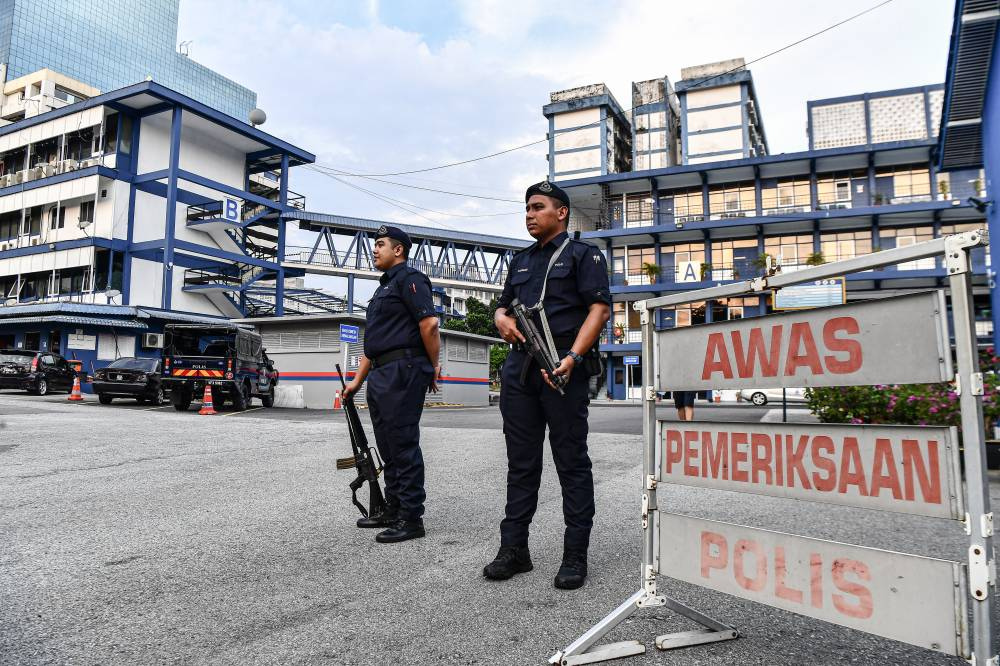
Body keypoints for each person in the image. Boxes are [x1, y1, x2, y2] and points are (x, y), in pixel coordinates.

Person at [484, 180, 611, 590]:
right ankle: (514, 549)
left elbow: (599, 309)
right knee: (521, 464)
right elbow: (503, 305)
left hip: (562, 371)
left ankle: (575, 554)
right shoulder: (519, 261)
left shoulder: (583, 255)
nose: (529, 214)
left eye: (537, 207)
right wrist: (500, 317)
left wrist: (572, 358)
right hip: (521, 373)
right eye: (526, 208)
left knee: (571, 463)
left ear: (561, 212)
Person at [342, 225, 441, 544]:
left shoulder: (411, 280)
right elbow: (374, 344)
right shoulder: (382, 290)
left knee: (402, 442)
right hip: (382, 371)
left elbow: (429, 324)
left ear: (398, 250)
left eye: (380, 244)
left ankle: (412, 518)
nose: (374, 249)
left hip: (404, 368)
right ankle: (393, 508)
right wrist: (356, 381)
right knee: (386, 444)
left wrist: (433, 366)